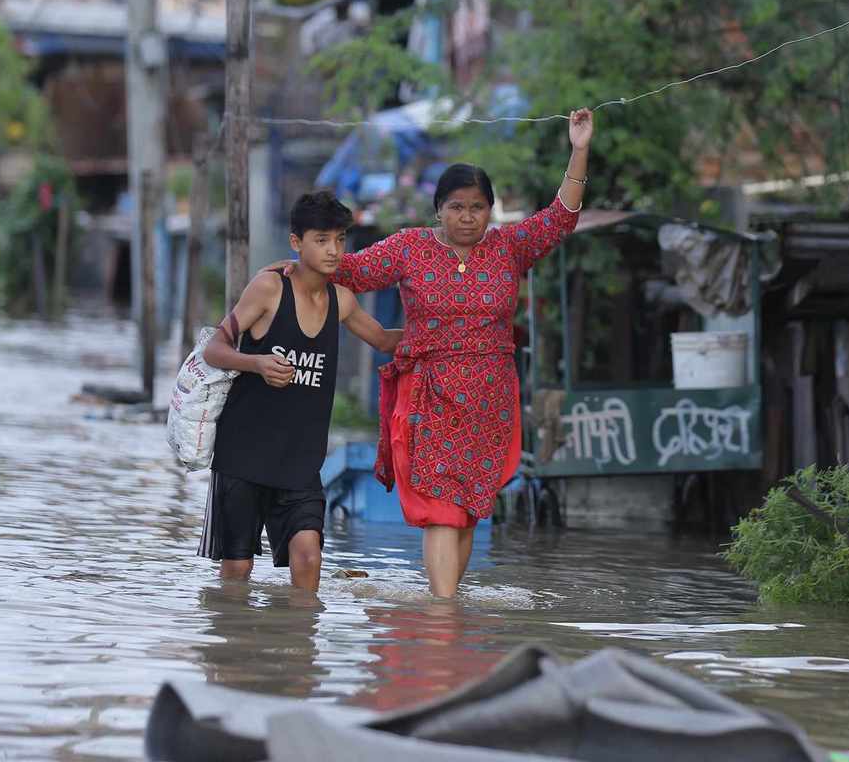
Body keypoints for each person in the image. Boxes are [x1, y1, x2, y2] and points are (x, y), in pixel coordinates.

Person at [265, 108, 594, 597]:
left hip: (489, 399)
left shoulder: (509, 248)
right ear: (438, 209)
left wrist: (579, 148)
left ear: (489, 211)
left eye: (477, 207)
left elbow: (560, 218)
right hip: (430, 395)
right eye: (457, 207)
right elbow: (348, 270)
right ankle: (443, 617)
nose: (467, 217)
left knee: (465, 514)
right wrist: (295, 266)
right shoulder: (409, 248)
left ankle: (445, 616)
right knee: (440, 509)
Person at [198, 191, 403, 591]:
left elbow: (382, 340)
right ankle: (234, 647)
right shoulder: (268, 288)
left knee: (309, 556)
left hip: (300, 462)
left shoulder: (341, 301)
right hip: (244, 454)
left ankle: (300, 648)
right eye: (322, 240)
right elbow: (215, 348)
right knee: (237, 571)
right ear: (297, 242)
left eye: (340, 240)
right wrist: (256, 363)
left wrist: (453, 332)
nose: (333, 250)